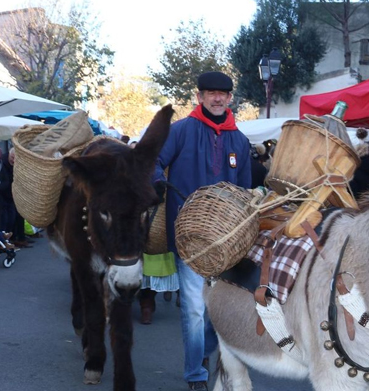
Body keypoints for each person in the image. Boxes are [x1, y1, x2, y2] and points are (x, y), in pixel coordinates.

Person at [154, 71, 252, 391]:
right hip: (189, 238)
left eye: (222, 93)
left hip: (226, 241)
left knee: (216, 309)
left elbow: (246, 191)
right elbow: (154, 162)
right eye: (210, 93)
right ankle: (195, 372)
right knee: (195, 308)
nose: (217, 98)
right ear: (199, 97)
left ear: (229, 98)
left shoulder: (239, 140)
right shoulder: (180, 131)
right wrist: (157, 181)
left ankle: (203, 351)